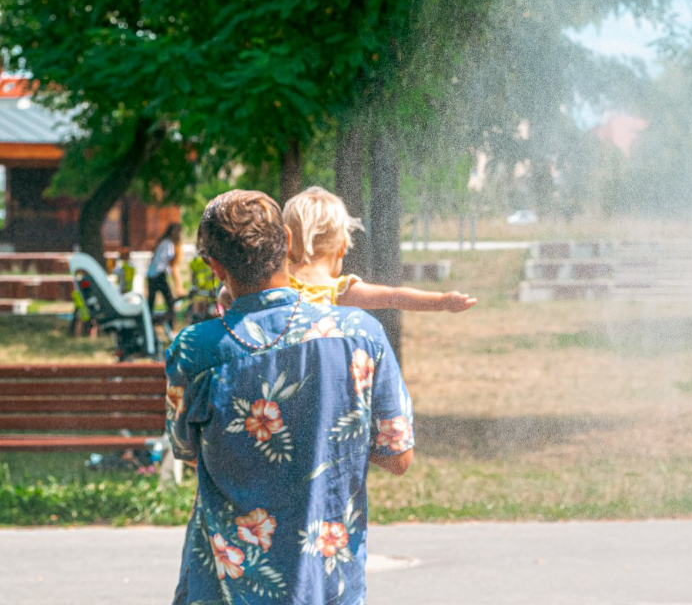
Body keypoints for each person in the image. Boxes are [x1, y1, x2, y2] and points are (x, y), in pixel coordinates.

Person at [165, 190, 414, 604]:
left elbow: (186, 450)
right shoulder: (360, 335)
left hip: (225, 587)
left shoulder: (195, 350)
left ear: (214, 264)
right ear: (286, 239)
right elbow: (397, 455)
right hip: (325, 584)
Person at [280, 186, 477, 313]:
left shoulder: (277, 280)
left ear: (287, 244)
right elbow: (393, 297)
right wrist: (441, 301)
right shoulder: (339, 292)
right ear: (341, 248)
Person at [147, 223, 183, 325]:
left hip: (151, 274)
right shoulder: (168, 244)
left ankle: (148, 325)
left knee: (151, 303)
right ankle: (171, 326)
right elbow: (171, 265)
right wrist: (178, 285)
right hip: (159, 275)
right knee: (170, 302)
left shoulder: (162, 242)